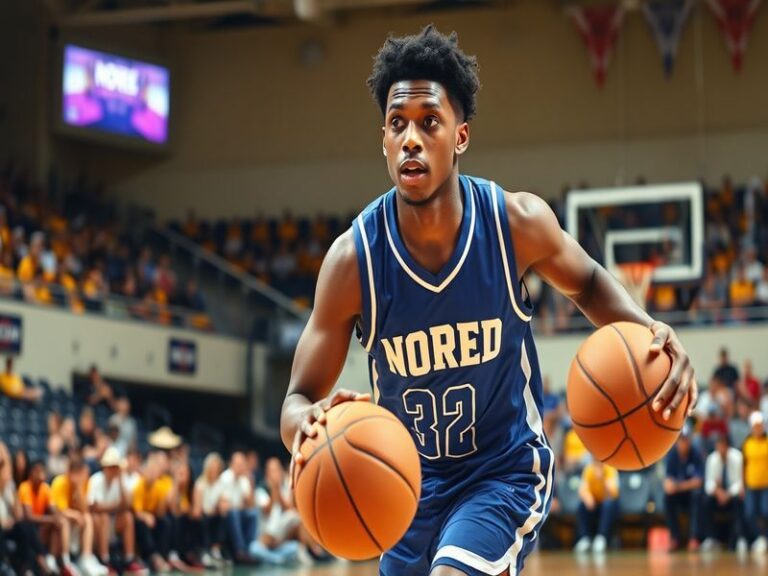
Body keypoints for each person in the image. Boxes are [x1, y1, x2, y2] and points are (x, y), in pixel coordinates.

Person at [280, 25, 697, 576]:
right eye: (397, 124)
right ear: (383, 139)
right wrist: (305, 423)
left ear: (461, 136)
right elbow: (297, 398)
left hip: (502, 472)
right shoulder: (352, 261)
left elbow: (589, 282)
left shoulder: (514, 223)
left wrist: (650, 328)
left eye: (429, 122)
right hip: (403, 487)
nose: (411, 139)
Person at [87, 447, 147, 574]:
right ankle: (104, 560)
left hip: (113, 523)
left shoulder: (119, 481)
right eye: (110, 466)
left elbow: (126, 505)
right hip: (97, 525)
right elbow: (94, 507)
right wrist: (115, 506)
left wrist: (120, 479)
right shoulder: (96, 480)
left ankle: (129, 559)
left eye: (115, 467)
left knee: (127, 516)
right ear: (105, 467)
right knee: (103, 517)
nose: (113, 470)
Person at [50, 457, 108, 575]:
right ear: (70, 472)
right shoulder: (60, 482)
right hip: (57, 520)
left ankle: (86, 558)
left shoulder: (84, 483)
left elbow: (85, 509)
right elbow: (60, 510)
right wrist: (75, 515)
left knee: (88, 518)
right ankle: (66, 561)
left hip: (76, 521)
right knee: (64, 521)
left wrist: (78, 487)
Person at [18, 460, 72, 575]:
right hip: (29, 528)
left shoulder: (45, 488)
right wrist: (52, 519)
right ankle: (41, 560)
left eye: (42, 471)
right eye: (37, 471)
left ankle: (57, 559)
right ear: (31, 473)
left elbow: (54, 510)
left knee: (59, 523)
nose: (40, 475)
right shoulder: (24, 487)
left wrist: (57, 518)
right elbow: (29, 517)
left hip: (42, 526)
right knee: (32, 527)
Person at [701, 434, 746, 553]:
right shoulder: (712, 459)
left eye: (723, 446)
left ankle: (736, 539)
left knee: (739, 501)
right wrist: (718, 491)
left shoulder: (737, 457)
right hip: (718, 495)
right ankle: (711, 538)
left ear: (728, 447)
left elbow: (739, 483)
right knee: (706, 501)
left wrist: (728, 494)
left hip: (731, 496)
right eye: (718, 446)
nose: (721, 449)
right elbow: (708, 484)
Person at [663, 429, 705, 551]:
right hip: (678, 494)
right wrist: (673, 486)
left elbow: (698, 482)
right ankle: (674, 538)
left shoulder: (696, 454)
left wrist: (678, 486)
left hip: (691, 494)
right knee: (667, 498)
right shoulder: (672, 455)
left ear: (690, 440)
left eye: (686, 440)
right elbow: (667, 483)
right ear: (677, 441)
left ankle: (693, 538)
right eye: (681, 440)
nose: (683, 443)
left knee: (697, 496)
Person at [217, 452, 257, 564]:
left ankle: (249, 549)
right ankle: (240, 551)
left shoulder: (244, 479)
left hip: (239, 513)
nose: (240, 467)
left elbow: (250, 505)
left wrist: (251, 482)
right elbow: (224, 505)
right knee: (234, 512)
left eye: (242, 464)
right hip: (226, 515)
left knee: (253, 513)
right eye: (238, 464)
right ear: (232, 464)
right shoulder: (225, 477)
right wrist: (239, 506)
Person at [573, 459, 619, 554]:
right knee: (582, 505)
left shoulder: (610, 469)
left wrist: (602, 478)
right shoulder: (589, 469)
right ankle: (585, 538)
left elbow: (612, 493)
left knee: (608, 504)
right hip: (594, 504)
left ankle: (601, 537)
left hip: (608, 504)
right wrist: (588, 497)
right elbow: (582, 490)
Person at [193, 453, 227, 569]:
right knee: (204, 520)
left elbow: (224, 505)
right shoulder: (200, 483)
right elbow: (197, 510)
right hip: (203, 515)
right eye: (212, 468)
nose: (214, 471)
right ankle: (205, 552)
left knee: (223, 518)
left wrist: (220, 507)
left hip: (214, 515)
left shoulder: (221, 484)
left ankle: (215, 551)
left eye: (216, 468)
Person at [743, 411, 768, 554]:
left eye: (760, 426)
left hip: (766, 485)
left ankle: (765, 537)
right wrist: (743, 485)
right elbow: (743, 465)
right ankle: (759, 537)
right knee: (749, 513)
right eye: (755, 426)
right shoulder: (747, 443)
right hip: (751, 486)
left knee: (766, 511)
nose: (758, 429)